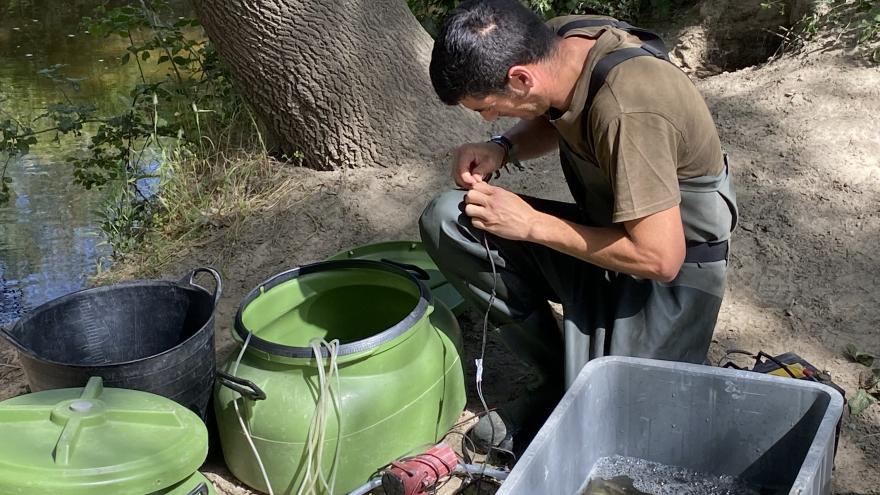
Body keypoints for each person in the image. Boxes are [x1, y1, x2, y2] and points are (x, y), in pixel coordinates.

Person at [419, 0, 738, 453]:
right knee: (449, 220)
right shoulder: (555, 46)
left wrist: (532, 225)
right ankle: (557, 376)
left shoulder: (631, 108)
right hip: (606, 233)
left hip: (673, 272)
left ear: (520, 78)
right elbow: (552, 116)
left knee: (616, 427)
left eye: (488, 108)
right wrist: (502, 147)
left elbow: (661, 258)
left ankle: (592, 382)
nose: (489, 119)